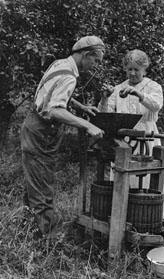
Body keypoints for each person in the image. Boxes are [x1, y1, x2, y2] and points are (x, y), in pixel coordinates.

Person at [21, 36, 105, 236]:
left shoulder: (60, 64)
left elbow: (53, 91)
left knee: (35, 181)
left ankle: (28, 229)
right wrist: (87, 125)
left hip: (32, 125)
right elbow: (54, 110)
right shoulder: (70, 76)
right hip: (42, 130)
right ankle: (46, 241)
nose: (94, 66)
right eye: (95, 61)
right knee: (42, 185)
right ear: (86, 55)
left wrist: (80, 106)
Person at [97, 49, 164, 220]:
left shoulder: (152, 86)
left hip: (147, 136)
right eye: (129, 69)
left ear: (144, 69)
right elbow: (105, 114)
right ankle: (124, 216)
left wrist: (138, 93)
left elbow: (156, 105)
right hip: (124, 139)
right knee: (123, 175)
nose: (132, 73)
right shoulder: (118, 88)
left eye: (136, 69)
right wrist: (105, 98)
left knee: (147, 176)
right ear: (125, 68)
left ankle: (150, 217)